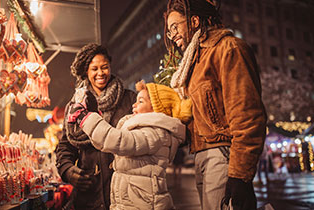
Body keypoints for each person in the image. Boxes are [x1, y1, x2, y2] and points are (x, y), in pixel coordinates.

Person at [164, 0, 267, 209]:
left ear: (194, 21)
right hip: (202, 156)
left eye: (175, 26)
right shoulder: (194, 63)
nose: (172, 34)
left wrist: (239, 175)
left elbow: (247, 116)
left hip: (223, 155)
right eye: (169, 31)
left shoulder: (228, 48)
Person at [66, 80, 192, 209]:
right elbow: (107, 140)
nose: (134, 105)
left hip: (143, 203)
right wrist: (93, 117)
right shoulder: (146, 130)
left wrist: (84, 118)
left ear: (156, 107)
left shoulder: (154, 133)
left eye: (141, 101)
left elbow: (117, 141)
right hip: (134, 200)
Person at [55, 43, 136, 210]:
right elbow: (65, 146)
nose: (100, 73)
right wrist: (68, 171)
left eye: (104, 67)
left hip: (126, 191)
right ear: (86, 71)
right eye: (94, 69)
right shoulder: (75, 106)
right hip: (89, 194)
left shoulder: (129, 99)